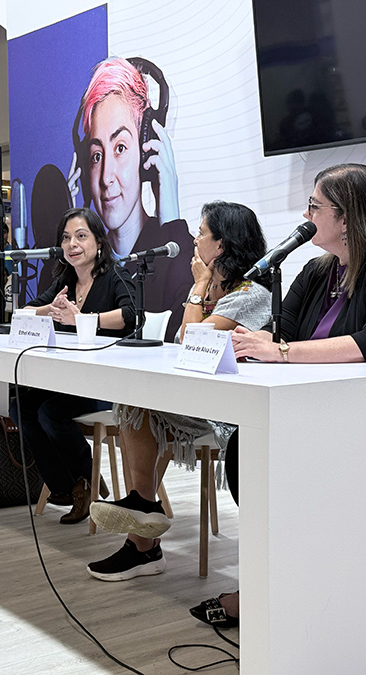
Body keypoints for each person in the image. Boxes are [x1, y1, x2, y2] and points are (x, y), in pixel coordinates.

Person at [185, 164, 366, 628]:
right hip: (318, 408)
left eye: (314, 206)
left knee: (281, 457)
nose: (305, 214)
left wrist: (278, 350)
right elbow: (283, 330)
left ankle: (292, 588)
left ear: (346, 217)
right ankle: (281, 581)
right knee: (246, 445)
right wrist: (254, 344)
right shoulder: (318, 271)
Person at [87, 201, 273, 582]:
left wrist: (199, 285)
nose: (194, 238)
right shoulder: (218, 290)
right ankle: (143, 515)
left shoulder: (250, 292)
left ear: (221, 245)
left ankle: (142, 536)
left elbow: (189, 339)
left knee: (142, 406)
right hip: (197, 398)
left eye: (202, 232)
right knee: (135, 401)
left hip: (231, 410)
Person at [10, 208, 136, 524]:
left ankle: (84, 482)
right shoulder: (65, 281)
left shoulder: (114, 275)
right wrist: (48, 310)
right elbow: (26, 311)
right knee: (20, 406)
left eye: (81, 236)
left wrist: (84, 320)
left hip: (107, 385)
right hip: (70, 381)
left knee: (50, 413)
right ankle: (69, 485)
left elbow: (131, 314)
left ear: (99, 242)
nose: (72, 245)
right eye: (66, 238)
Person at [73, 57, 194, 340]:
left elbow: (179, 331)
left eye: (121, 148)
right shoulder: (89, 259)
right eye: (97, 155)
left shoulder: (173, 253)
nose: (105, 177)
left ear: (146, 152)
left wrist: (171, 215)